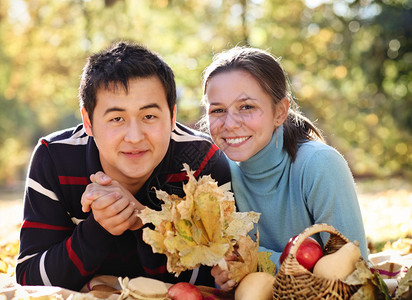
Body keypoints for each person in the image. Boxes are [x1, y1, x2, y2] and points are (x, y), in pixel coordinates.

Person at [16, 41, 231, 291]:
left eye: (149, 116)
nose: (135, 137)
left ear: (172, 116)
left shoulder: (201, 161)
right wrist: (97, 229)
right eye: (117, 119)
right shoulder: (54, 158)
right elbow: (30, 279)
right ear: (88, 121)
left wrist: (145, 223)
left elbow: (214, 277)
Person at [200, 46, 369, 290]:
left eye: (246, 107)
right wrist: (229, 274)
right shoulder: (217, 173)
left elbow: (355, 270)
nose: (230, 124)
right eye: (218, 110)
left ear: (279, 112)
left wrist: (254, 263)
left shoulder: (320, 164)